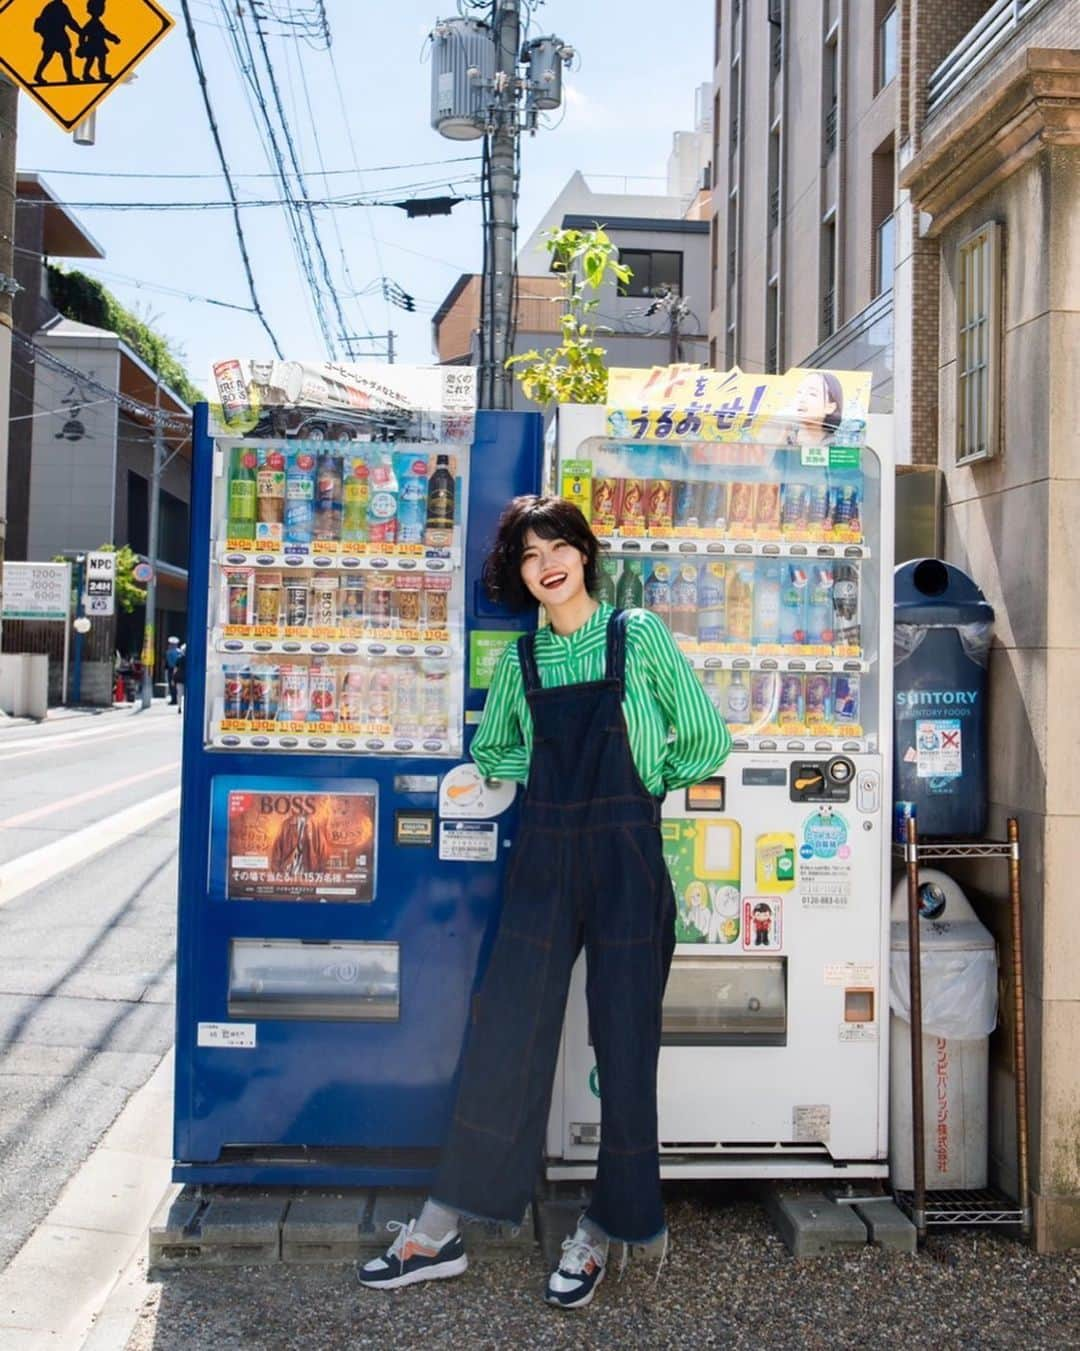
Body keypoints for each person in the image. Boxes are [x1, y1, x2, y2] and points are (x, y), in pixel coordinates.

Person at [358, 495, 731, 1309]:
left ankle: (603, 1228)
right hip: (544, 857)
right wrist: (547, 777)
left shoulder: (640, 636)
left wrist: (638, 785)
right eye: (529, 555)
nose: (546, 563)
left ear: (585, 553)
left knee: (625, 1045)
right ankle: (441, 1225)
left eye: (558, 545)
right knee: (507, 1028)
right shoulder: (522, 663)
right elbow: (493, 748)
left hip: (628, 858)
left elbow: (705, 736)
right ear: (519, 573)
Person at [786, 370, 844, 447]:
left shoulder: (837, 446)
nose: (801, 398)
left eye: (812, 394)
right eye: (799, 392)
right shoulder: (786, 437)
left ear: (830, 407)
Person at [32, 0, 81, 85]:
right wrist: (80, 31)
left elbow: (70, 21)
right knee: (52, 56)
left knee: (61, 55)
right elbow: (69, 21)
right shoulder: (55, 7)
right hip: (53, 35)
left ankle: (69, 76)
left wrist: (80, 31)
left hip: (56, 35)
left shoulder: (60, 6)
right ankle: (38, 74)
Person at [79, 0, 120, 84]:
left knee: (101, 58)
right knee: (91, 59)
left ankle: (101, 73)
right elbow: (83, 34)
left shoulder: (97, 23)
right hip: (93, 45)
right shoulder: (92, 23)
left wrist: (113, 38)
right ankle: (86, 74)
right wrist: (82, 45)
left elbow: (104, 33)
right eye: (101, 8)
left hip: (99, 44)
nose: (102, 10)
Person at [165, 636, 182, 705]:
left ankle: (174, 699)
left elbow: (170, 662)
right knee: (176, 685)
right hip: (178, 669)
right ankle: (176, 699)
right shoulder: (179, 651)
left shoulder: (169, 652)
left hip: (171, 669)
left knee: (172, 684)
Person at [174, 645, 186, 716]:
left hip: (179, 678)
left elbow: (175, 669)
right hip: (187, 678)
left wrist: (173, 678)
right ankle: (183, 707)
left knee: (179, 694)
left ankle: (179, 707)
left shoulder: (179, 658)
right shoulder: (190, 659)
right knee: (186, 694)